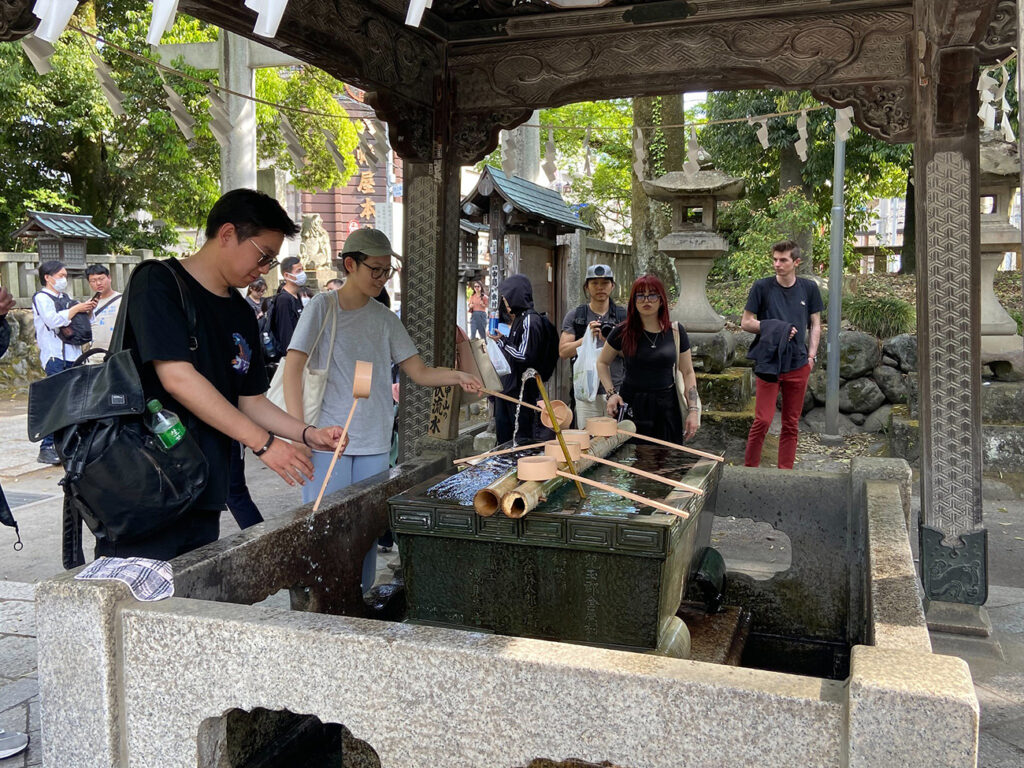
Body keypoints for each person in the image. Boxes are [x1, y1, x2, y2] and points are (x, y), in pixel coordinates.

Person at [109, 188, 345, 560]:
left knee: (190, 597)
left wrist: (307, 433)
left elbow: (249, 399)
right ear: (227, 234)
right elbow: (177, 378)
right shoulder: (158, 283)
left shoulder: (240, 312)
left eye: (271, 260)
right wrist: (264, 444)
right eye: (263, 255)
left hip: (204, 485)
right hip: (147, 481)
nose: (265, 268)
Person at [283, 228, 481, 591]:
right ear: (349, 264)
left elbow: (418, 372)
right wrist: (299, 435)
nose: (381, 278)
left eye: (386, 271)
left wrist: (458, 375)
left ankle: (361, 603)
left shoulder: (385, 318)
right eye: (375, 269)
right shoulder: (322, 307)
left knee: (366, 532)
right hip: (328, 442)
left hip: (374, 440)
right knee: (326, 531)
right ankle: (322, 609)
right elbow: (293, 368)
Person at [741, 240, 823, 469]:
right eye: (775, 259)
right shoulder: (762, 287)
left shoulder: (809, 288)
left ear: (796, 262)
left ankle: (785, 473)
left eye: (783, 260)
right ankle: (750, 471)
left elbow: (815, 324)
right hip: (768, 362)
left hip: (798, 363)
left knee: (791, 424)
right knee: (762, 420)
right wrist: (776, 327)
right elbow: (746, 322)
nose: (777, 264)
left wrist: (811, 356)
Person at [597, 274, 700, 443]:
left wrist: (693, 410)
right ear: (633, 300)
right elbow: (602, 362)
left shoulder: (675, 331)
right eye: (640, 295)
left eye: (652, 295)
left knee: (667, 461)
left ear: (661, 300)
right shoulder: (622, 331)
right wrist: (611, 394)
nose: (647, 300)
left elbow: (688, 371)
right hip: (632, 405)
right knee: (631, 460)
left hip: (666, 405)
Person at [32, 261, 96, 465]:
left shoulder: (67, 299)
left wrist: (85, 311)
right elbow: (53, 321)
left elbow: (82, 325)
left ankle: (69, 444)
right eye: (60, 275)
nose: (63, 279)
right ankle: (46, 446)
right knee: (57, 400)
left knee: (74, 401)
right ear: (47, 277)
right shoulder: (41, 298)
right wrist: (76, 308)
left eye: (65, 275)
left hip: (73, 355)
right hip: (54, 357)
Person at [559, 263, 628, 428]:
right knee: (587, 441)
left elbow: (633, 353)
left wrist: (609, 341)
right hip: (586, 393)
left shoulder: (622, 316)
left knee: (617, 442)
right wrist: (586, 338)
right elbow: (563, 351)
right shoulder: (577, 316)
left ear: (612, 286)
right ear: (587, 287)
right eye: (594, 283)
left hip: (618, 390)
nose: (600, 288)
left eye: (605, 283)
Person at [489, 273, 555, 445]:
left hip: (522, 392)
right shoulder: (520, 319)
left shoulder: (530, 321)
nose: (506, 302)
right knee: (505, 437)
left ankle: (523, 468)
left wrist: (502, 340)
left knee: (521, 437)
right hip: (510, 389)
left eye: (507, 298)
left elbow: (524, 356)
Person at [268, 256, 305, 356]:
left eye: (302, 270)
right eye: (298, 271)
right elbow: (285, 335)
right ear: (287, 275)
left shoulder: (296, 296)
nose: (303, 274)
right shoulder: (283, 300)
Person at [85, 264, 122, 359]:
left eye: (101, 279)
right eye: (93, 281)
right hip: (94, 356)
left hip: (118, 354)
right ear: (89, 283)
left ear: (109, 278)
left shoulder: (123, 300)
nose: (98, 283)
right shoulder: (87, 305)